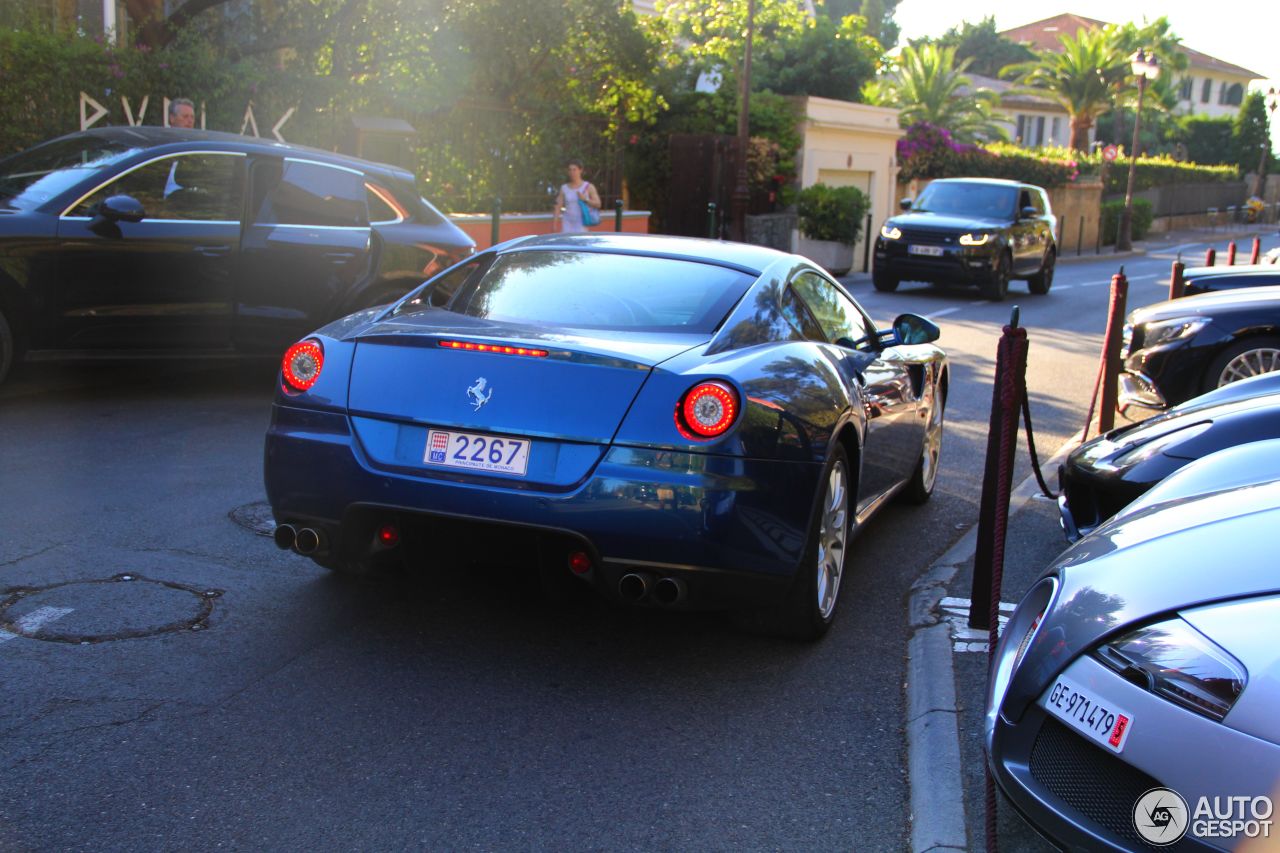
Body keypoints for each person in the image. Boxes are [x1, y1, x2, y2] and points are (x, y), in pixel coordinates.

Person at [553, 159, 601, 233]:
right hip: (567, 222)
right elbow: (558, 206)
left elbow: (598, 204)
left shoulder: (588, 186)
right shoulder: (564, 188)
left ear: (580, 170)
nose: (572, 172)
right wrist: (554, 224)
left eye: (574, 170)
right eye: (570, 170)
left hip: (582, 223)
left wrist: (585, 199)